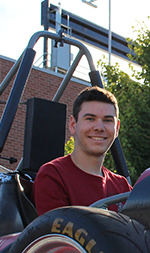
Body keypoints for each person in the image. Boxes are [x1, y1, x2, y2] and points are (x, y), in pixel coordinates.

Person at [33, 86, 131, 214]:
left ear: (116, 128)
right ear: (73, 125)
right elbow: (57, 232)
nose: (99, 127)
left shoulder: (122, 186)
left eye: (107, 120)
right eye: (90, 119)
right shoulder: (53, 176)